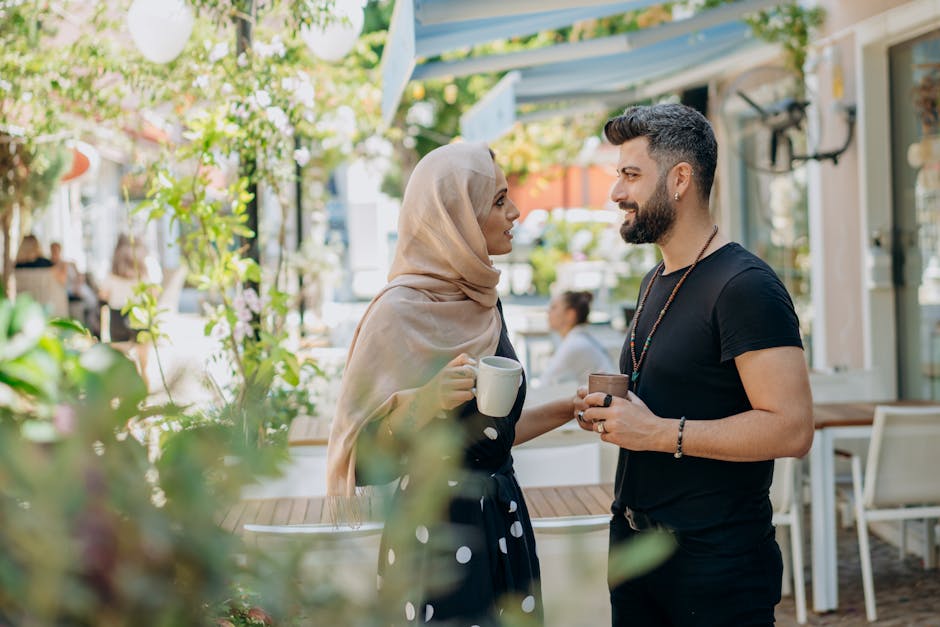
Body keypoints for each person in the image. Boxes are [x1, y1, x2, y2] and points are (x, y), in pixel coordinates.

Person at [574, 103, 814, 626]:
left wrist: (660, 433)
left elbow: (792, 428)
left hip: (715, 567)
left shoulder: (745, 286)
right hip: (636, 554)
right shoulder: (653, 279)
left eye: (631, 175)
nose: (617, 193)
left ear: (680, 179)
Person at [326, 142, 577, 626]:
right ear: (456, 214)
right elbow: (366, 462)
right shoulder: (396, 313)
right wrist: (424, 402)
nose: (515, 211)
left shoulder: (484, 303)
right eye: (499, 199)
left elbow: (488, 439)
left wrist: (571, 409)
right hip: (435, 537)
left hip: (502, 520)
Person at [533, 290, 615, 389]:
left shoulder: (575, 344)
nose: (548, 312)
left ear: (570, 314)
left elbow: (544, 384)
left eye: (553, 307)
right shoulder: (580, 340)